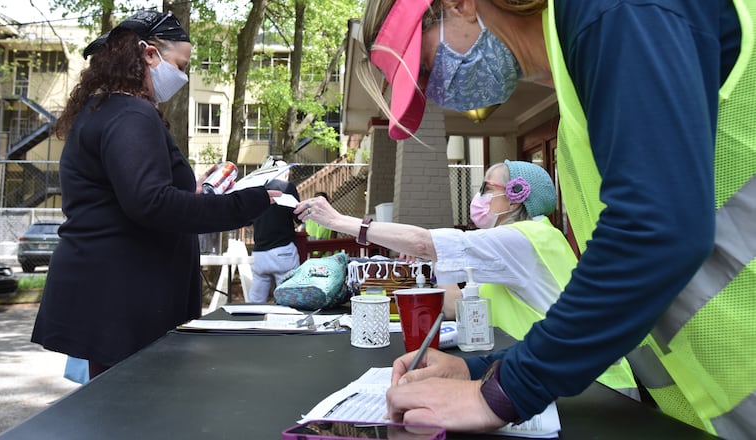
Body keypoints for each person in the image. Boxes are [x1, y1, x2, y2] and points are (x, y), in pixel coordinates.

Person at [354, 0, 754, 438]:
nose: (435, 93)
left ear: (460, 5)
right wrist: (482, 370)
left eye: (427, 67)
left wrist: (501, 394)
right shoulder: (576, 112)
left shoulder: (619, 11)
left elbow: (656, 233)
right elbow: (622, 294)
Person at [31, 10, 278, 379]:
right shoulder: (132, 114)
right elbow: (150, 203)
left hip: (109, 290)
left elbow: (125, 193)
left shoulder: (103, 109)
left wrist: (190, 190)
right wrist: (247, 202)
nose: (183, 74)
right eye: (181, 63)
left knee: (115, 408)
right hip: (123, 297)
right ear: (149, 54)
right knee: (130, 411)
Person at [296, 160, 636, 395]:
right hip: (561, 377)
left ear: (519, 195)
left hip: (594, 388)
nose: (481, 197)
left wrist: (341, 222)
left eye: (489, 188)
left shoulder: (523, 238)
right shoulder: (515, 246)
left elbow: (422, 240)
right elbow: (454, 306)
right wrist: (435, 260)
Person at [247, 160, 302, 303]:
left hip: (259, 254)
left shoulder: (256, 190)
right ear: (285, 174)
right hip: (283, 251)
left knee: (256, 300)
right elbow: (298, 216)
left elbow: (247, 223)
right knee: (287, 298)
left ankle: (251, 323)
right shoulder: (287, 187)